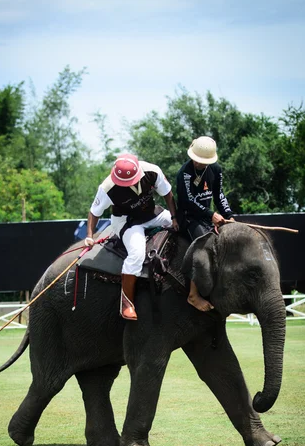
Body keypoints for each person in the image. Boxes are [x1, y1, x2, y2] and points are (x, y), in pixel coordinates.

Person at [85, 153, 179, 321]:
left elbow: (168, 194)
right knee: (137, 253)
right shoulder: (107, 187)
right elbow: (94, 212)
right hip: (126, 221)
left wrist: (174, 217)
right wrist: (90, 236)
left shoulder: (152, 171)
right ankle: (127, 303)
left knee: (185, 225)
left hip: (152, 214)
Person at [176, 136, 235, 312]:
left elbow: (219, 195)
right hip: (188, 217)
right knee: (205, 242)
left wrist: (229, 215)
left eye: (202, 161)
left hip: (206, 216)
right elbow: (187, 201)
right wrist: (212, 215)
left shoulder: (216, 169)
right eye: (196, 159)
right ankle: (193, 294)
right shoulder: (184, 173)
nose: (198, 163)